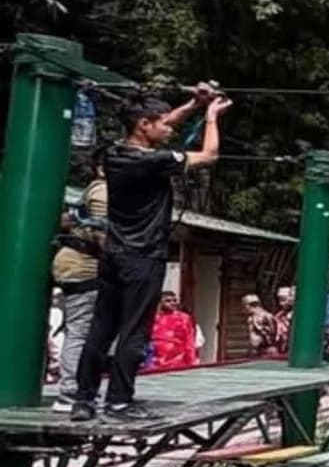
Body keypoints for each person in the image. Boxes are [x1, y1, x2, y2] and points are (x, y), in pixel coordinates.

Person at [71, 87, 226, 421]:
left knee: (101, 330)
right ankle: (119, 402)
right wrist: (211, 117)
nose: (170, 129)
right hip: (143, 256)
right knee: (134, 331)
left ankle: (83, 399)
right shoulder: (153, 161)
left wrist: (194, 104)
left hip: (113, 253)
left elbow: (165, 121)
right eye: (163, 125)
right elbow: (209, 155)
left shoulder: (113, 153)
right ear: (143, 124)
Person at [49, 163, 107, 410]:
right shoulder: (104, 191)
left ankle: (76, 388)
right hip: (83, 265)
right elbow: (102, 233)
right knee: (80, 331)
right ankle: (70, 392)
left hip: (78, 263)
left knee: (83, 330)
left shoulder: (95, 190)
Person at [147, 291, 197, 371]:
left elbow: (189, 341)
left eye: (174, 300)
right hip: (153, 361)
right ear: (160, 302)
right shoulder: (152, 318)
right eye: (168, 301)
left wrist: (191, 361)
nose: (172, 303)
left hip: (176, 361)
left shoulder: (183, 318)